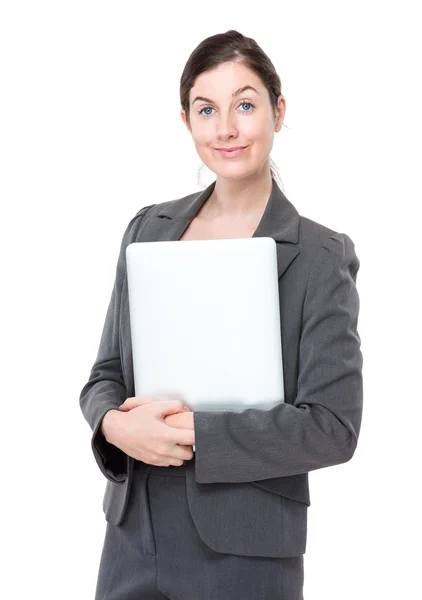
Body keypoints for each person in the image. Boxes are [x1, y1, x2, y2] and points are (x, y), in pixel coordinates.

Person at [79, 29, 363, 600]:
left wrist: (198, 435)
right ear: (186, 120)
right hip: (134, 537)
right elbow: (104, 375)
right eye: (206, 109)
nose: (226, 128)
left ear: (278, 112)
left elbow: (333, 427)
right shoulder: (148, 230)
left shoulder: (319, 256)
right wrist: (114, 425)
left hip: (246, 550)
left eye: (246, 105)